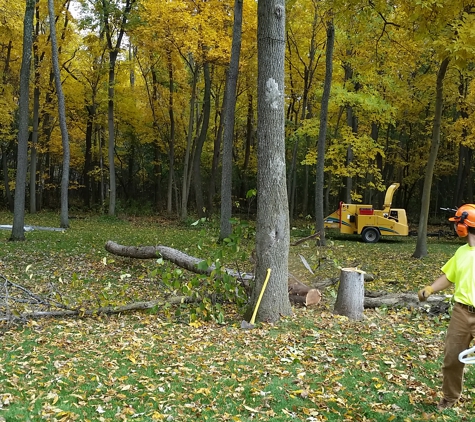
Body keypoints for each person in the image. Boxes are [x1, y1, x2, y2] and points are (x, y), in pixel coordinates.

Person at [418, 203, 475, 410]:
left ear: (464, 226)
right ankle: (450, 398)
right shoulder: (461, 252)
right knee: (452, 358)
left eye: (457, 224)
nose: (454, 227)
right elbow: (448, 277)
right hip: (461, 312)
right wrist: (430, 289)